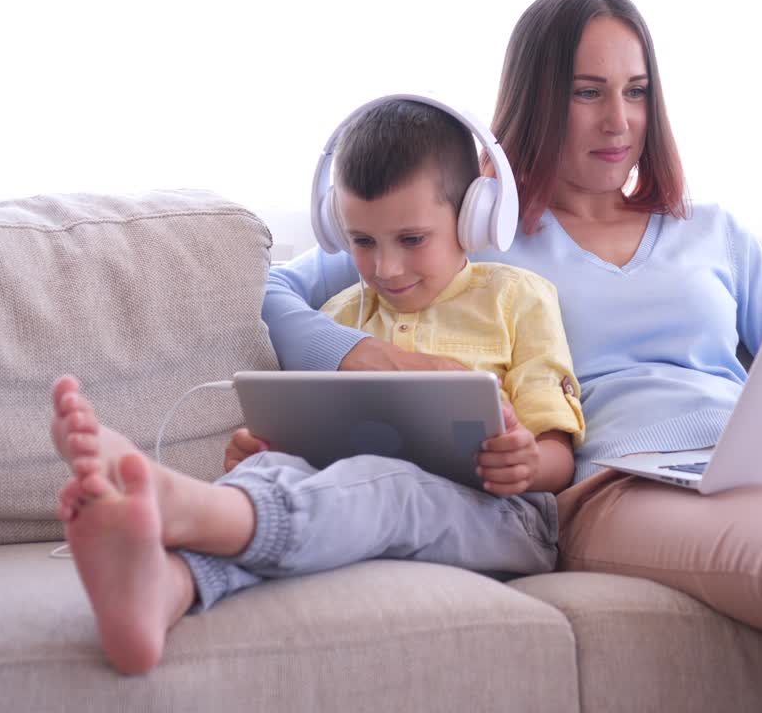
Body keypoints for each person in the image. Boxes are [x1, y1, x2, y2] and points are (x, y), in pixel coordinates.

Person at [254, 0, 762, 712]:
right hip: (622, 482)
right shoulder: (473, 233)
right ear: (540, 100)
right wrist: (375, 360)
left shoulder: (710, 230)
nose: (620, 121)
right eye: (588, 93)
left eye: (636, 91)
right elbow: (278, 294)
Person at [50, 98, 585, 675]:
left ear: (474, 215)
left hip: (507, 518)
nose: (385, 269)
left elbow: (559, 452)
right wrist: (265, 449)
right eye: (361, 241)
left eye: (411, 239)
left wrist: (528, 464)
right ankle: (167, 585)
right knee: (276, 474)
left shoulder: (519, 299)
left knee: (388, 486)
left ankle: (188, 507)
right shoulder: (339, 314)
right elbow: (321, 445)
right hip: (357, 496)